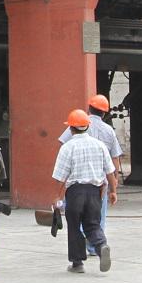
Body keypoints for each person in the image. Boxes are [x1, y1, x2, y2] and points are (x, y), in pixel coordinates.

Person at [51, 108, 119, 273]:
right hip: (96, 192)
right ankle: (101, 245)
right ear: (87, 126)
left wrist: (56, 197)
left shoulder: (67, 147)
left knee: (74, 226)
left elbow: (60, 177)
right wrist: (113, 191)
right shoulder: (100, 145)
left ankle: (77, 263)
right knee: (93, 224)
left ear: (71, 128)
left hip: (75, 192)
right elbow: (110, 171)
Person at [58, 93, 122, 254]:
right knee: (95, 219)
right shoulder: (108, 132)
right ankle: (96, 247)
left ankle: (78, 260)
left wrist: (58, 196)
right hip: (99, 185)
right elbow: (114, 160)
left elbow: (62, 146)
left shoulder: (76, 125)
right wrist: (114, 185)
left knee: (75, 222)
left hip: (75, 185)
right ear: (105, 112)